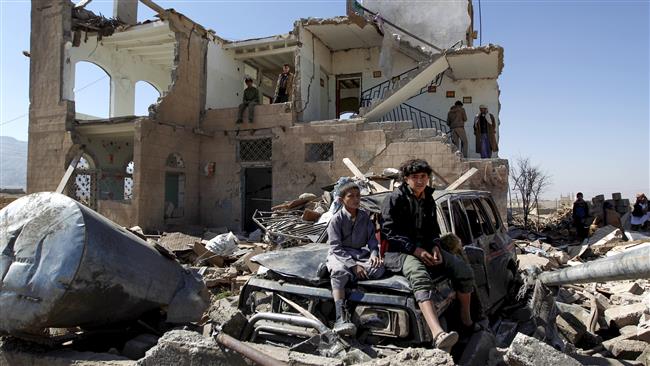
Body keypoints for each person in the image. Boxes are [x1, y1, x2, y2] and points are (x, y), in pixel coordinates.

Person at [381, 159, 475, 352]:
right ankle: (438, 334)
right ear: (406, 179)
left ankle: (466, 319)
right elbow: (389, 232)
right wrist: (415, 250)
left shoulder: (428, 198)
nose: (420, 181)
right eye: (415, 177)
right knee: (419, 276)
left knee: (463, 270)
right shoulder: (394, 199)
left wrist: (434, 246)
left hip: (424, 249)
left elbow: (433, 229)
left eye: (423, 176)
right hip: (398, 252)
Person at [326, 182, 385, 336]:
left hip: (359, 254)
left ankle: (350, 280)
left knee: (378, 268)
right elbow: (335, 247)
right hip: (340, 255)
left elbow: (372, 240)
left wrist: (374, 254)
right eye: (351, 196)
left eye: (358, 196)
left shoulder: (365, 217)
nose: (356, 199)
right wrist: (353, 266)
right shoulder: (336, 220)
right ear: (341, 200)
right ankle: (341, 316)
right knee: (339, 271)